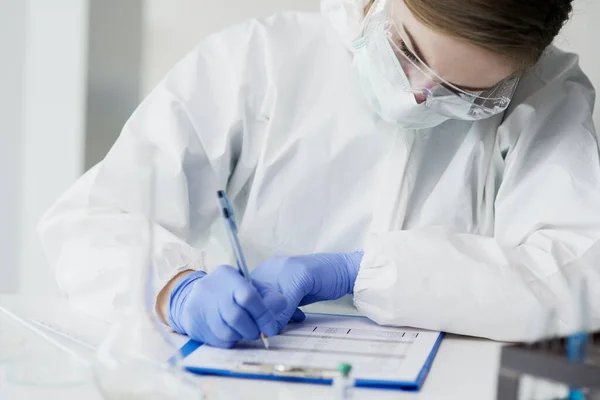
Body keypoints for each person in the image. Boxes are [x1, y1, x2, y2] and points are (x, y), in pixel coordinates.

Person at [39, 0, 600, 347]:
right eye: (405, 50)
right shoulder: (257, 60)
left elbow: (580, 277)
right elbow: (90, 222)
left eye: (466, 94)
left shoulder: (546, 94)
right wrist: (178, 291)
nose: (418, 94)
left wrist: (358, 272)